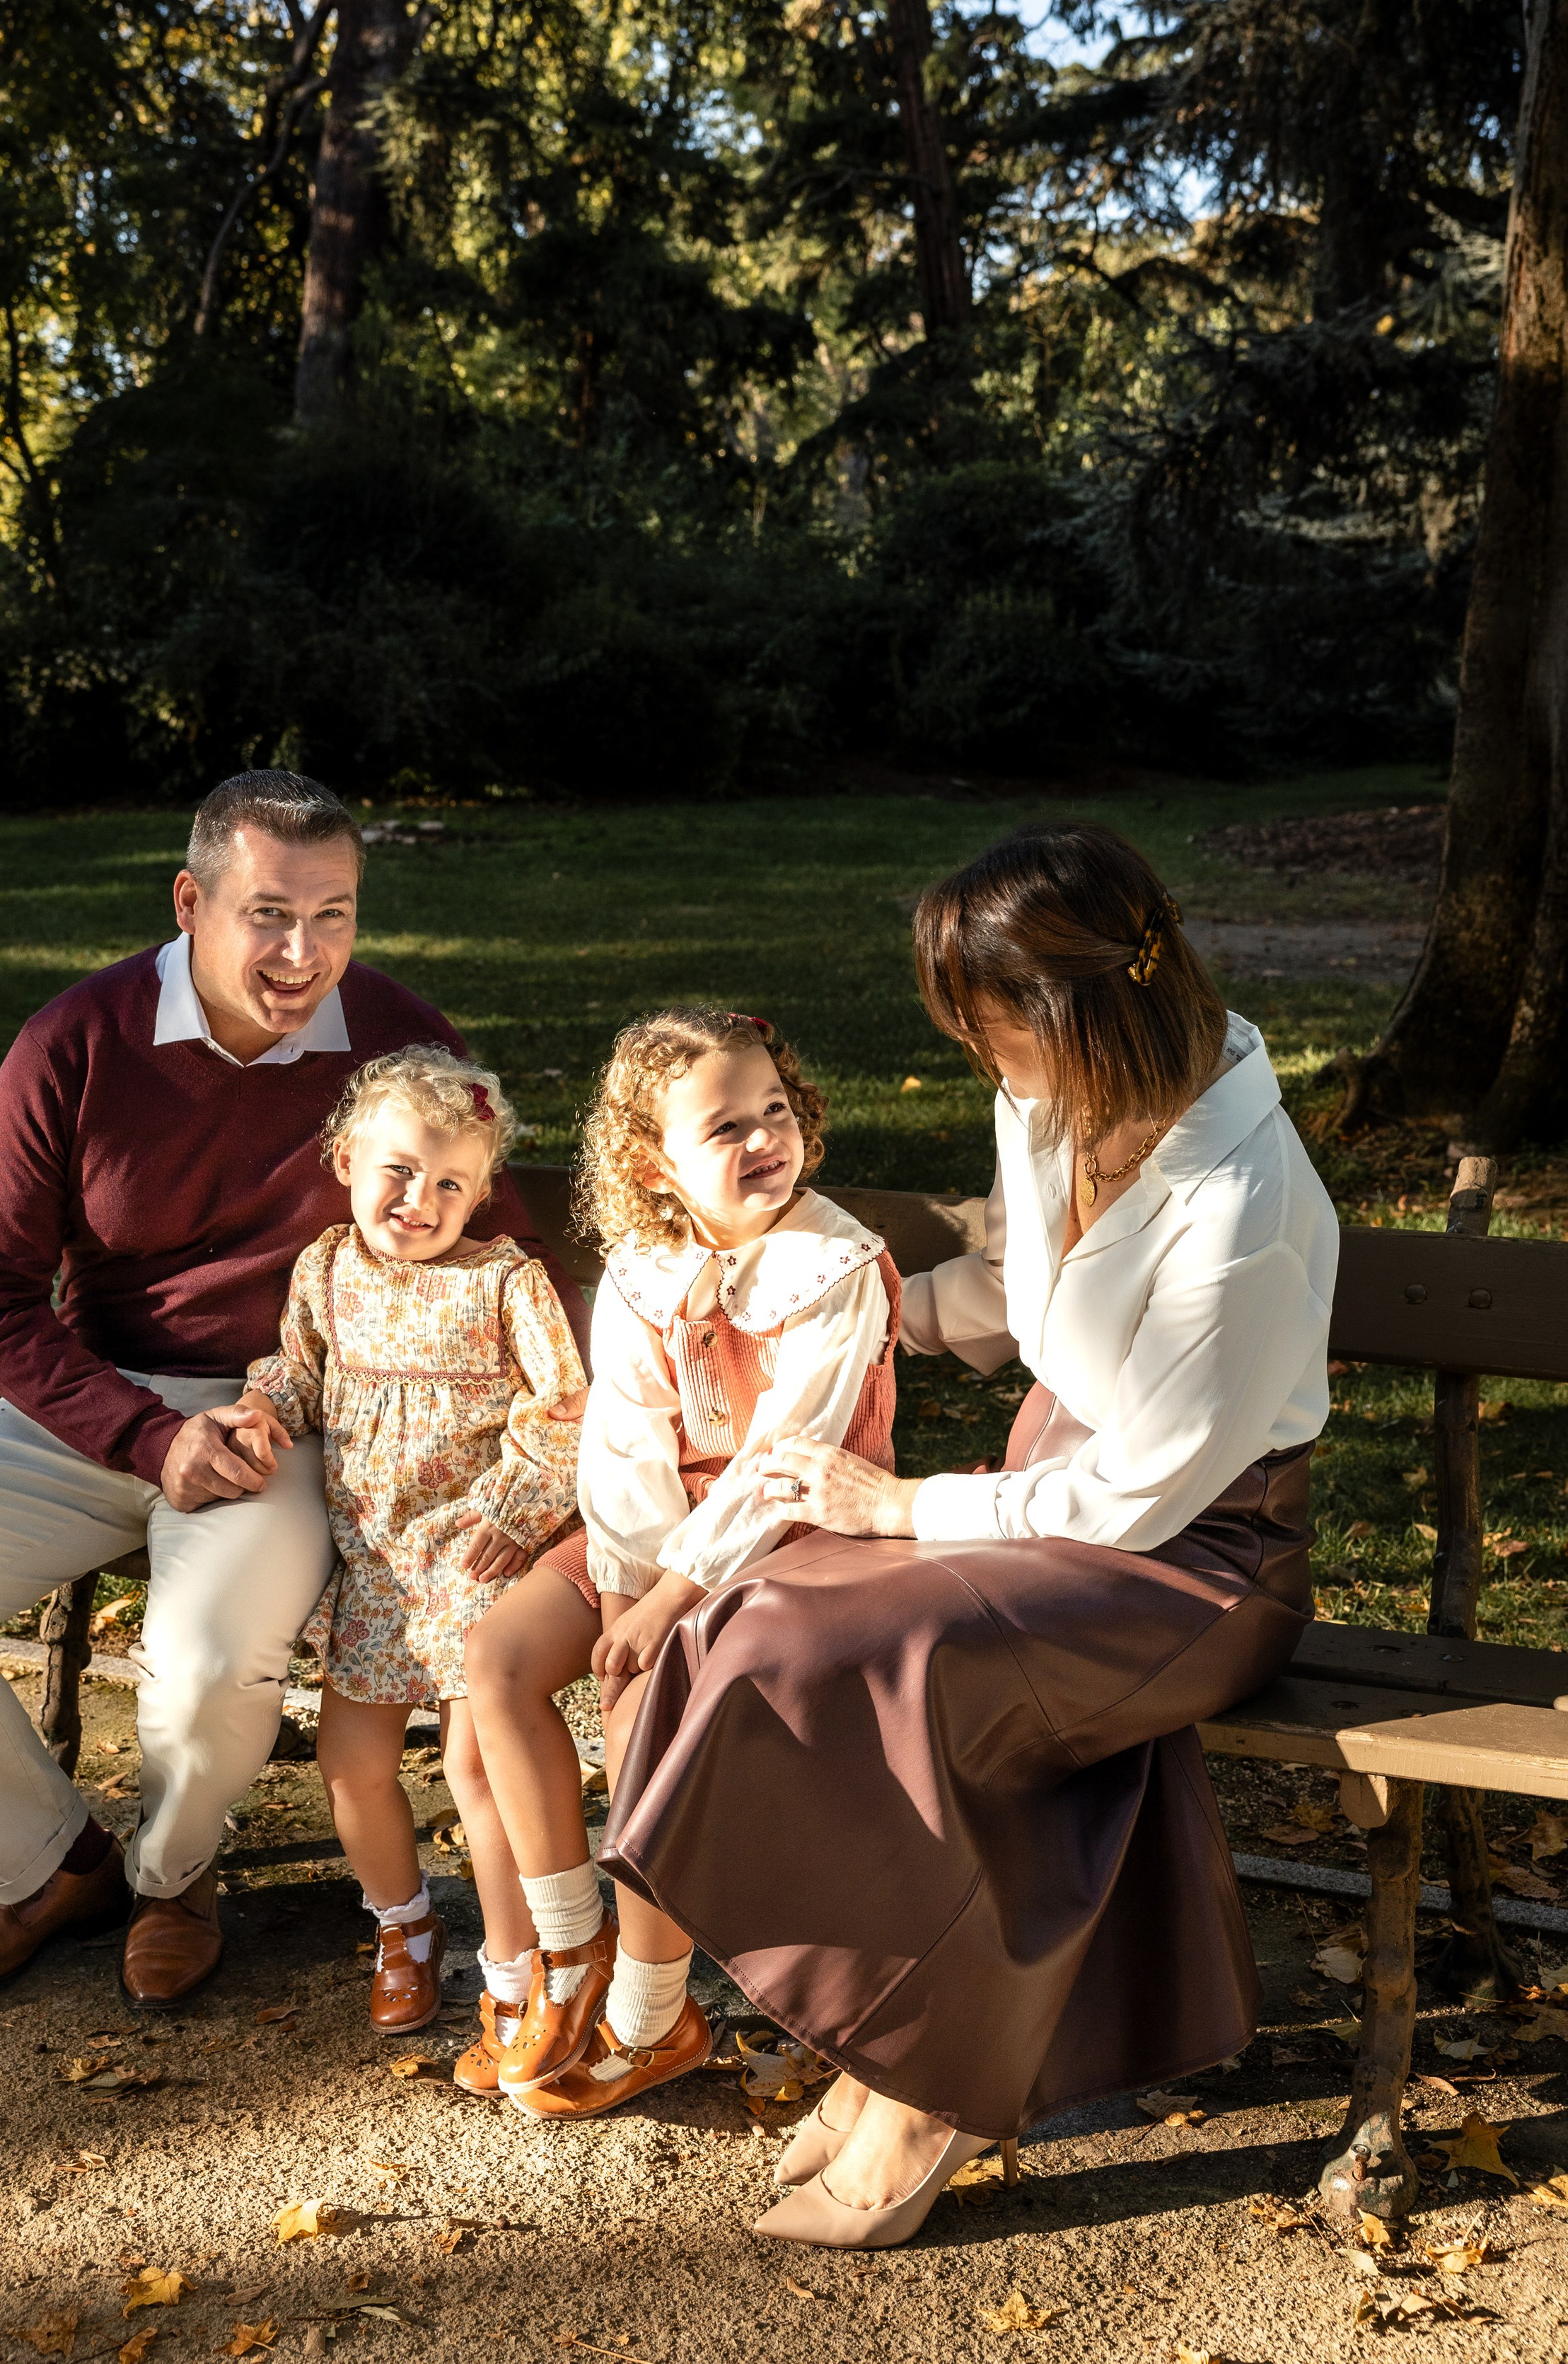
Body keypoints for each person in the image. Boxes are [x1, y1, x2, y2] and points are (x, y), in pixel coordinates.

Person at [598, 821, 1338, 2247]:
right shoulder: (1059, 1097)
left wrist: (903, 1511)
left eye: (989, 1029)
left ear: (1075, 1010)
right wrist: (851, 1309)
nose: (978, 1060)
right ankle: (879, 2036)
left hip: (1196, 1568)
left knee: (869, 1652)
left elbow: (1143, 1494)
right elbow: (1016, 1296)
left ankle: (928, 2079)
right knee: (752, 1617)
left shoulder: (1244, 1205)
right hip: (1050, 1511)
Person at [0, 769, 585, 2010]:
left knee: (213, 1659)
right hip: (96, 1400)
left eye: (335, 915)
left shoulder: (396, 1037)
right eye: (268, 912)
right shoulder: (76, 1039)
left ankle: (172, 1879)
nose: (302, 951)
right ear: (189, 901)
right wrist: (144, 1435)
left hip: (301, 1411)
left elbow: (500, 1250)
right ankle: (52, 1866)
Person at [465, 1006, 900, 2119]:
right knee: (502, 1658)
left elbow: (782, 1459)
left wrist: (665, 1599)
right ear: (654, 1162)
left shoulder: (832, 1265)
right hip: (657, 1537)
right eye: (725, 1129)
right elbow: (626, 1444)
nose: (765, 1139)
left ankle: (655, 2015)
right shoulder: (646, 1273)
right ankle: (572, 1956)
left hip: (796, 1538)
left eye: (775, 1113)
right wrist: (623, 1584)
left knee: (636, 1714)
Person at [229, 1044, 583, 2076]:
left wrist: (519, 1512)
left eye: (449, 1185)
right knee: (353, 1764)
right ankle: (404, 1924)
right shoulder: (327, 1270)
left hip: (478, 1560)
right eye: (397, 1170)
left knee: (480, 1769)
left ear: (479, 1194)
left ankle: (516, 1971)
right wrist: (262, 1410)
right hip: (379, 1567)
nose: (419, 1200)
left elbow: (562, 1412)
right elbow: (298, 1374)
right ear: (345, 1158)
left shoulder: (504, 1282)